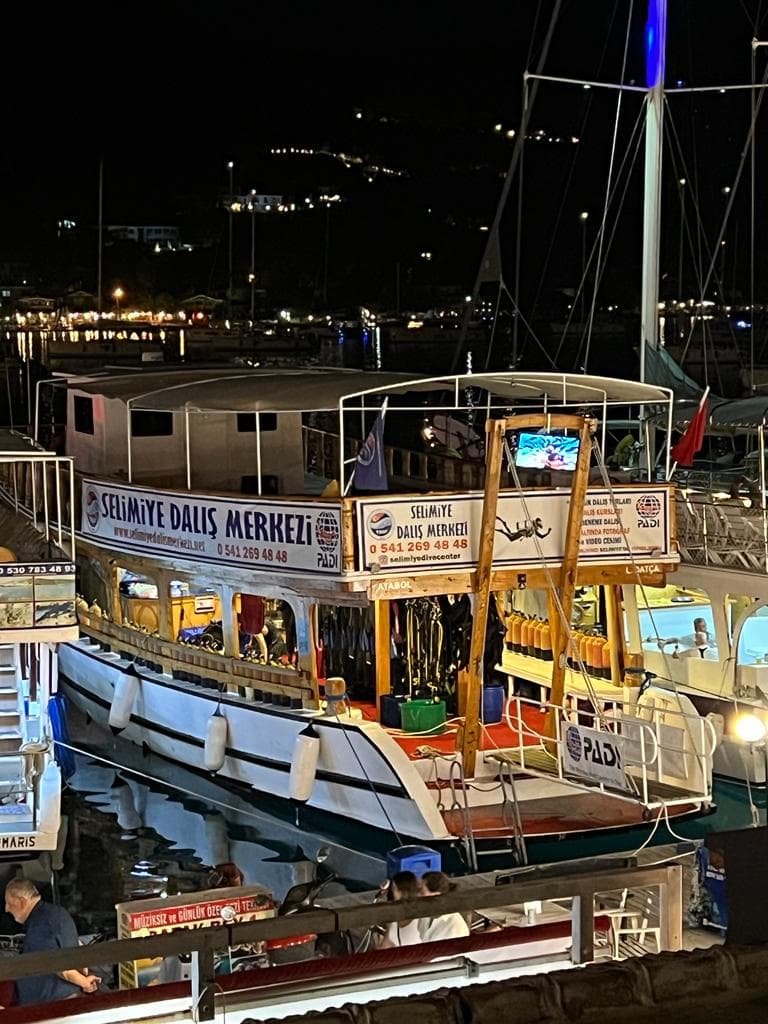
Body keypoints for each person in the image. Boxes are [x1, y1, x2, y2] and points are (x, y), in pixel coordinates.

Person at [4, 879, 99, 1006]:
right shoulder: (57, 913)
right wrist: (84, 976)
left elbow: (55, 964)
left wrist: (85, 983)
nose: (6, 909)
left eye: (9, 903)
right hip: (64, 995)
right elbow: (78, 946)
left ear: (22, 901)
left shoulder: (41, 926)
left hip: (50, 1002)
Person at [418, 871, 470, 943]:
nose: (418, 895)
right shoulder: (425, 915)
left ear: (436, 895)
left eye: (421, 892)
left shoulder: (456, 929)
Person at [376, 871, 423, 948]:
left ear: (403, 891)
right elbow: (386, 944)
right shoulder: (393, 917)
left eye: (394, 889)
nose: (393, 892)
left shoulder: (421, 917)